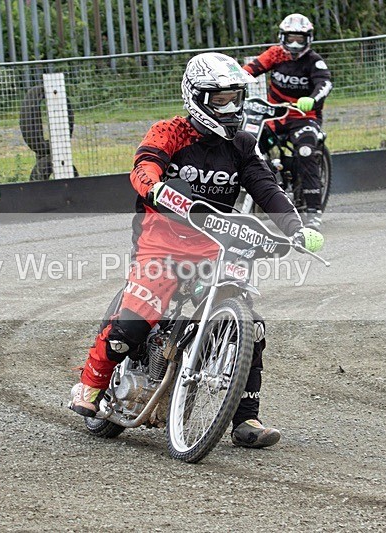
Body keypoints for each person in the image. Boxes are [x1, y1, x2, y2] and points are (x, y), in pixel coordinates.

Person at [68, 52, 324, 448]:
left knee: (249, 326)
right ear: (196, 98)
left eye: (236, 97)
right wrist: (155, 187)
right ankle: (90, 385)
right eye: (220, 99)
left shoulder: (242, 144)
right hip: (160, 241)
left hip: (215, 245)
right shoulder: (168, 132)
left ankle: (246, 420)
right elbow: (143, 167)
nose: (231, 107)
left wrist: (296, 228)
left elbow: (265, 186)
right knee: (133, 325)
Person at [243, 13, 332, 230]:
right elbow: (250, 70)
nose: (294, 44)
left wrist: (311, 100)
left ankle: (313, 213)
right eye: (290, 38)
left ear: (308, 39)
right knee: (245, 143)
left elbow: (325, 84)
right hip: (273, 116)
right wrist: (229, 83)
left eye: (299, 39)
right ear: (282, 37)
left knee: (305, 152)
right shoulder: (275, 54)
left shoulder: (314, 62)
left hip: (304, 118)